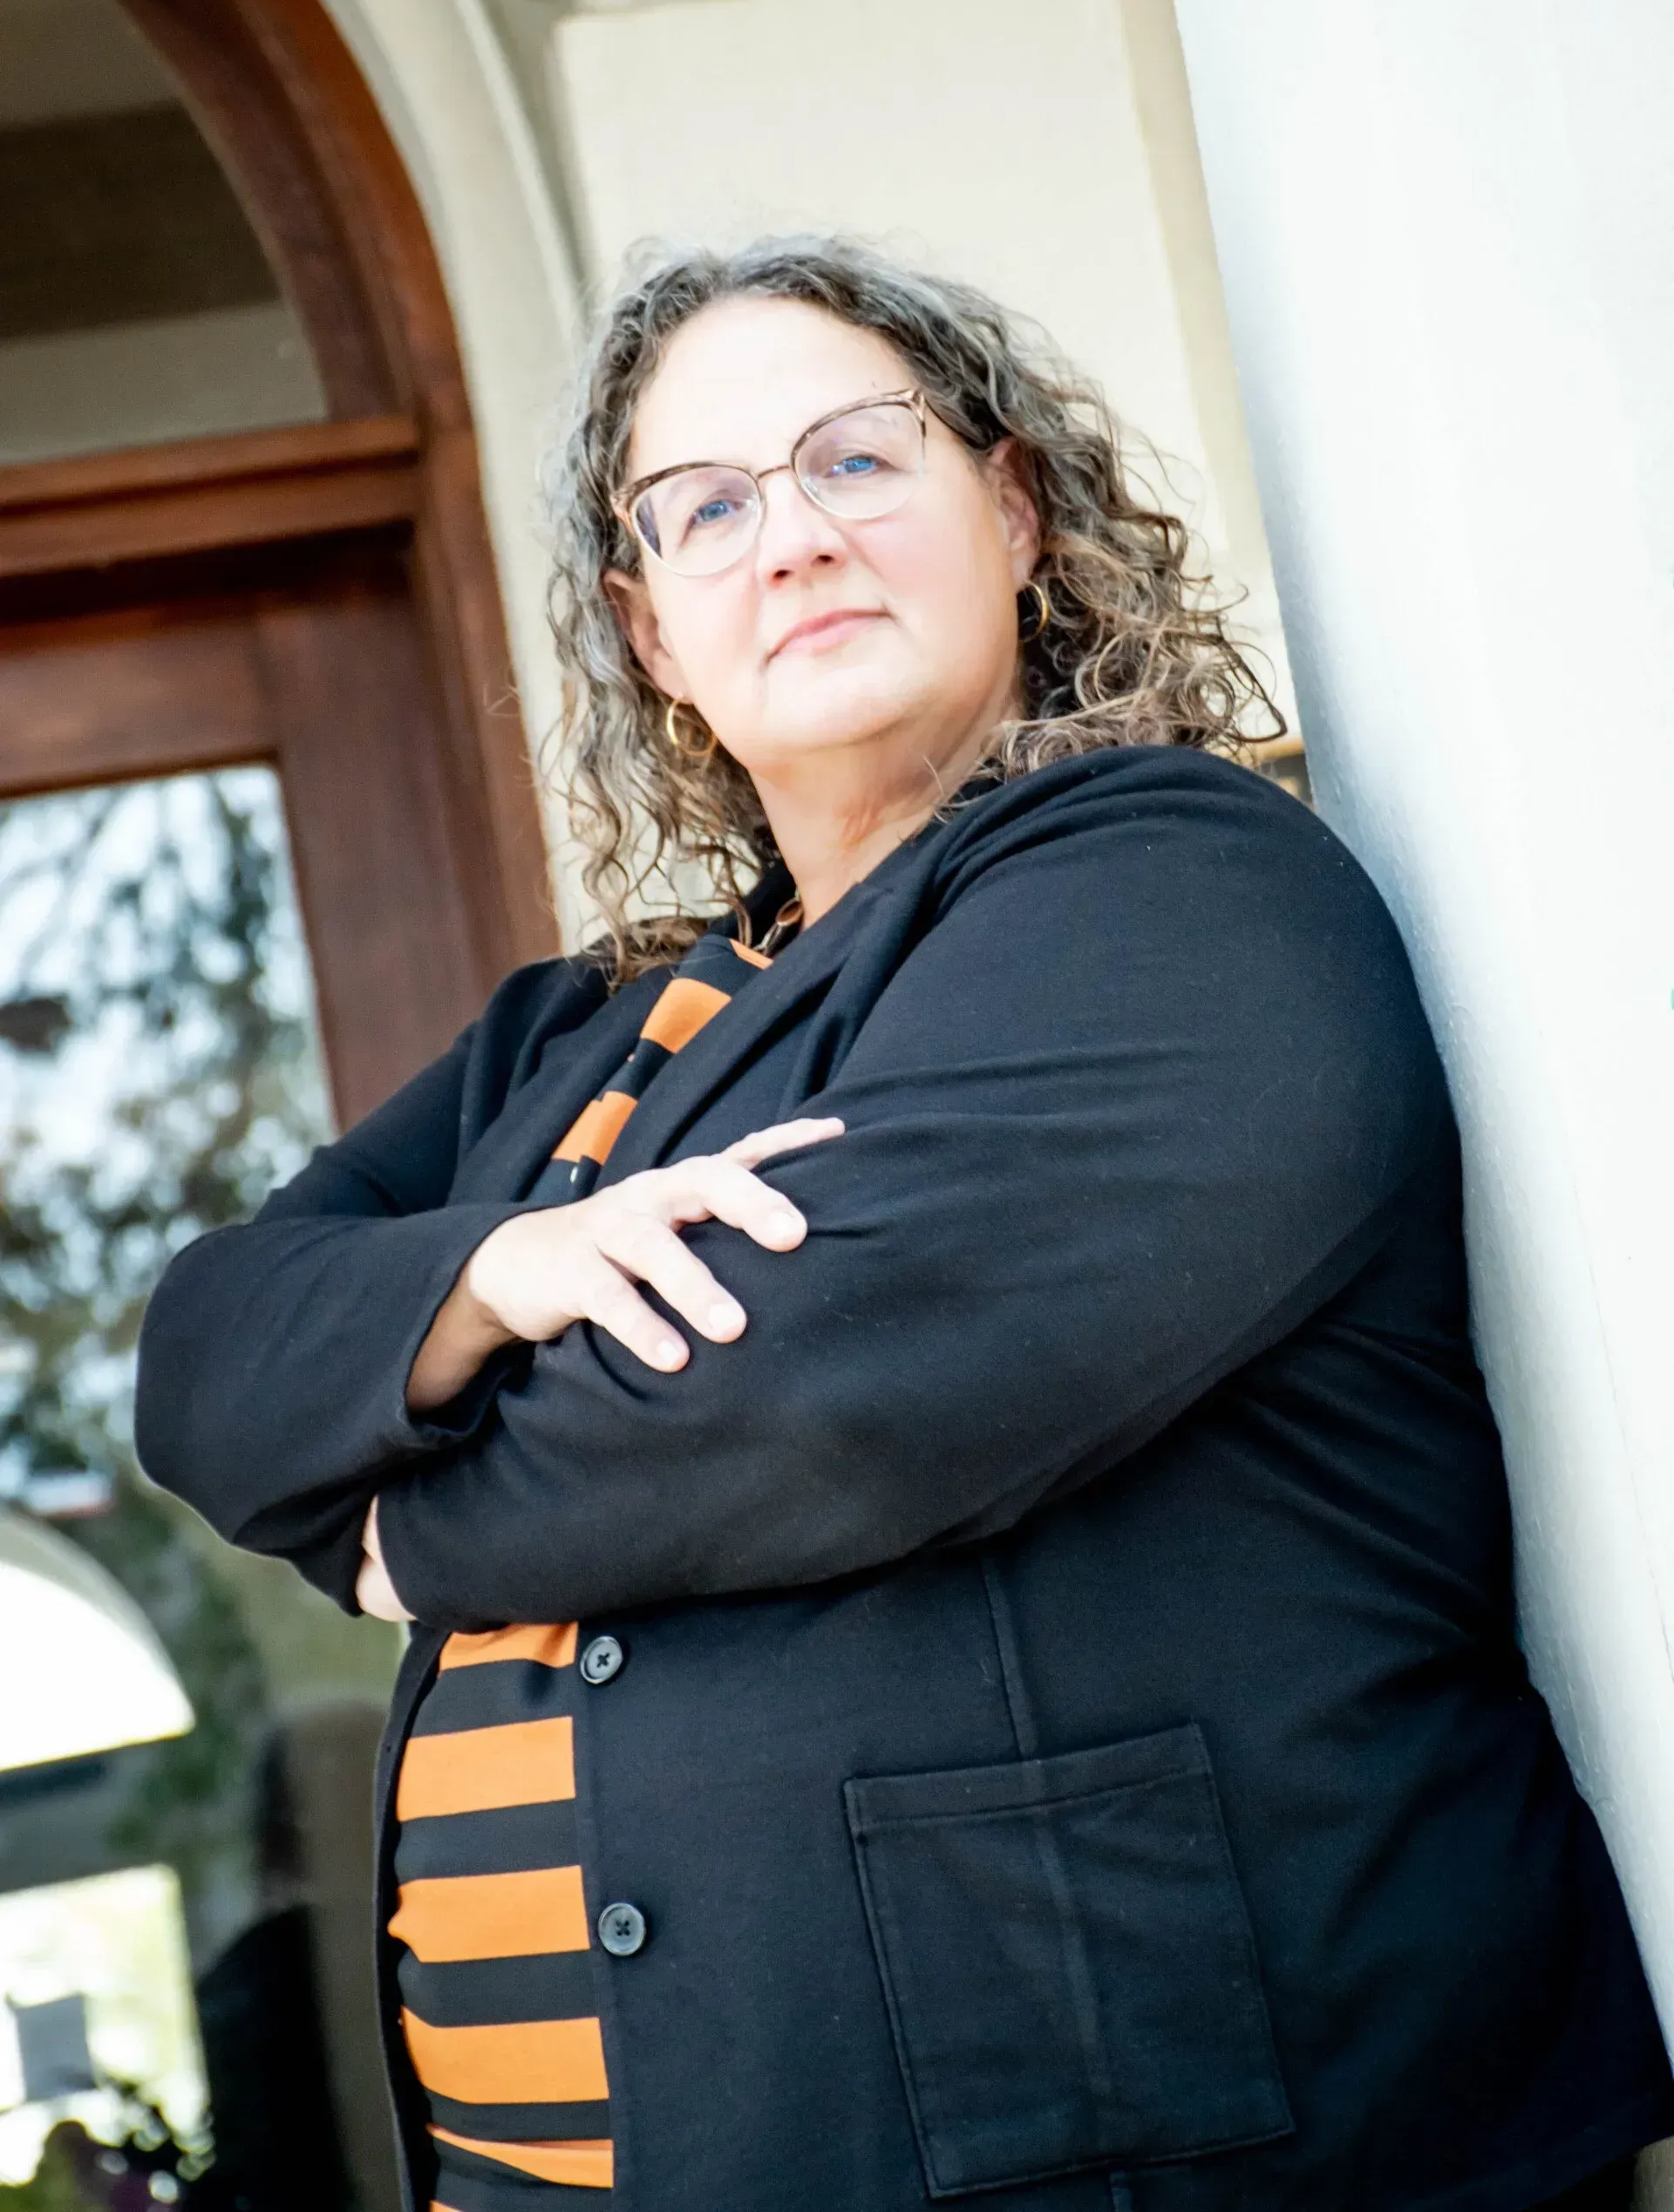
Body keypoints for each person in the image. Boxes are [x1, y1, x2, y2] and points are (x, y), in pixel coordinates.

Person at [136, 239, 1672, 2212]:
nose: (792, 537)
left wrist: (397, 1520)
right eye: (705, 508)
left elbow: (813, 1392)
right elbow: (205, 1356)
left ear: (1015, 511)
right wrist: (487, 1274)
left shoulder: (1173, 886)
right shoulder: (572, 1031)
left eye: (859, 459)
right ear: (653, 636)